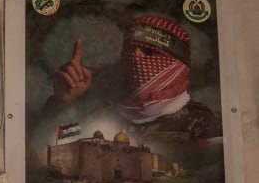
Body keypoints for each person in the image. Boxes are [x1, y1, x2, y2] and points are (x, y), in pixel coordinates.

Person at [47, 14, 221, 165]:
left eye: (148, 52)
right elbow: (48, 149)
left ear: (177, 64)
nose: (135, 57)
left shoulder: (202, 121)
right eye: (130, 49)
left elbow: (216, 181)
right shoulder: (103, 115)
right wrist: (64, 102)